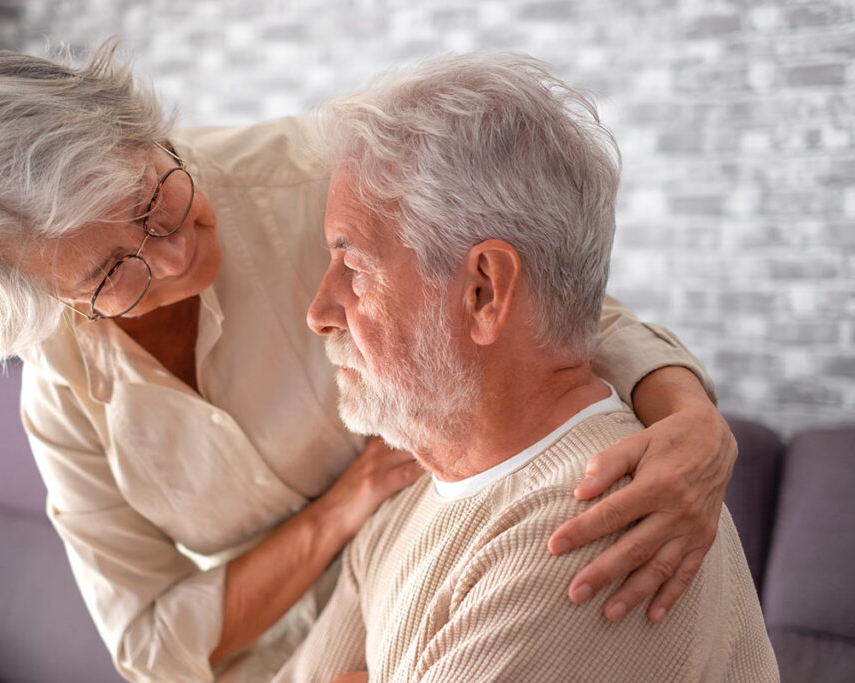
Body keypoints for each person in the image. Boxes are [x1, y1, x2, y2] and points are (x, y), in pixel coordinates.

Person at [0, 41, 738, 682]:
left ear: (146, 132)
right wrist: (344, 507)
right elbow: (149, 643)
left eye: (155, 198)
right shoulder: (64, 390)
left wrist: (690, 418)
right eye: (114, 271)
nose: (175, 255)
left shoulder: (313, 180)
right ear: (55, 304)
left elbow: (538, 298)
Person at [275, 51, 777, 683]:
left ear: (484, 290)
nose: (320, 311)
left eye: (354, 268)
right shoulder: (410, 502)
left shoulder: (597, 524)